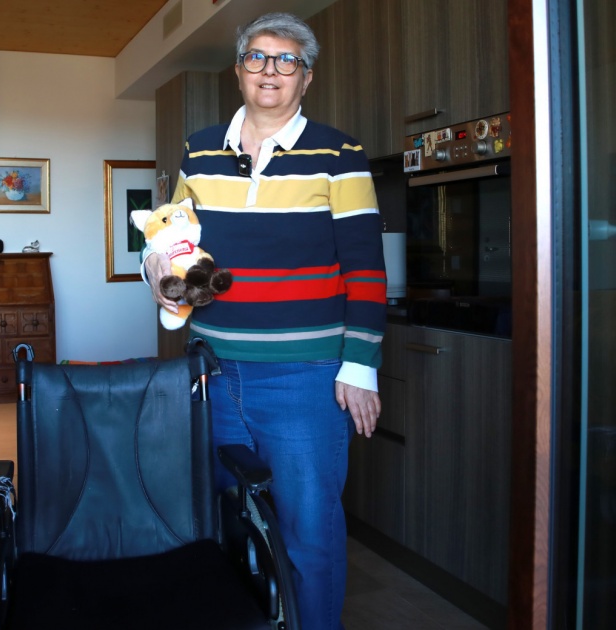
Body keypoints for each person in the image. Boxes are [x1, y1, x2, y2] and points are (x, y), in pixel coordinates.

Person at [143, 12, 386, 630]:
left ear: (306, 77)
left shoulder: (340, 154)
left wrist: (360, 366)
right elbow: (174, 238)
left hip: (304, 380)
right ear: (239, 70)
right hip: (211, 373)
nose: (270, 70)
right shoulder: (200, 149)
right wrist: (157, 270)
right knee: (223, 526)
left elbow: (365, 268)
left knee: (310, 534)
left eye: (286, 60)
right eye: (257, 57)